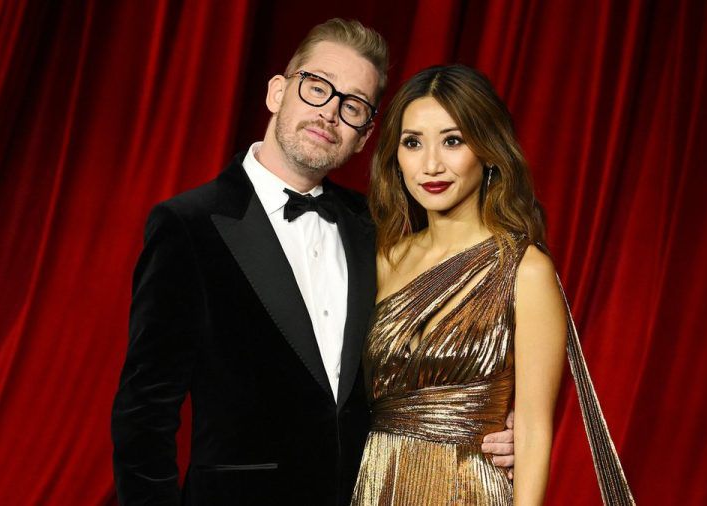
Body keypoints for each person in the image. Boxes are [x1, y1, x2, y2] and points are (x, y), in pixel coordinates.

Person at [110, 20, 515, 506]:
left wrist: (496, 424)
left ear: (365, 135)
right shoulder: (188, 226)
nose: (329, 113)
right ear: (277, 92)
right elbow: (144, 413)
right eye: (317, 87)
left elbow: (417, 359)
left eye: (353, 105)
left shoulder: (378, 228)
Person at [349, 65, 635, 505]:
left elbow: (535, 430)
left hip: (471, 491)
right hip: (376, 486)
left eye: (453, 140)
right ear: (395, 156)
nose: (430, 164)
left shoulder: (525, 268)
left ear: (487, 149)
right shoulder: (383, 259)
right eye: (412, 142)